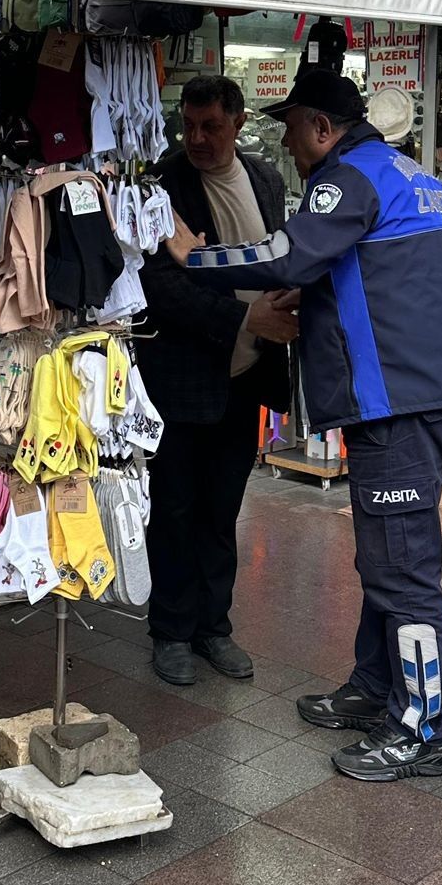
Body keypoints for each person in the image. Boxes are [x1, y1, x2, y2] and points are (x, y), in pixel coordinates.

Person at [165, 70, 442, 780]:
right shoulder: (405, 170)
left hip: (399, 402)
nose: (283, 141)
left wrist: (197, 257)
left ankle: (422, 728)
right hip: (420, 393)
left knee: (403, 570)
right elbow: (366, 271)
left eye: (290, 126)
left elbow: (285, 252)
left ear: (321, 127)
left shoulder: (350, 178)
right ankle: (377, 688)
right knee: (384, 558)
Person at [139, 76, 297, 686]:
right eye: (190, 125)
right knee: (175, 506)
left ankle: (214, 627)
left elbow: (276, 255)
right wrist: (242, 315)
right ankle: (171, 632)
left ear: (236, 123)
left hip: (249, 373)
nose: (198, 139)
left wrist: (288, 301)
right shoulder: (164, 183)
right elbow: (159, 285)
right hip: (183, 375)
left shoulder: (266, 179)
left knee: (223, 506)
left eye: (211, 126)